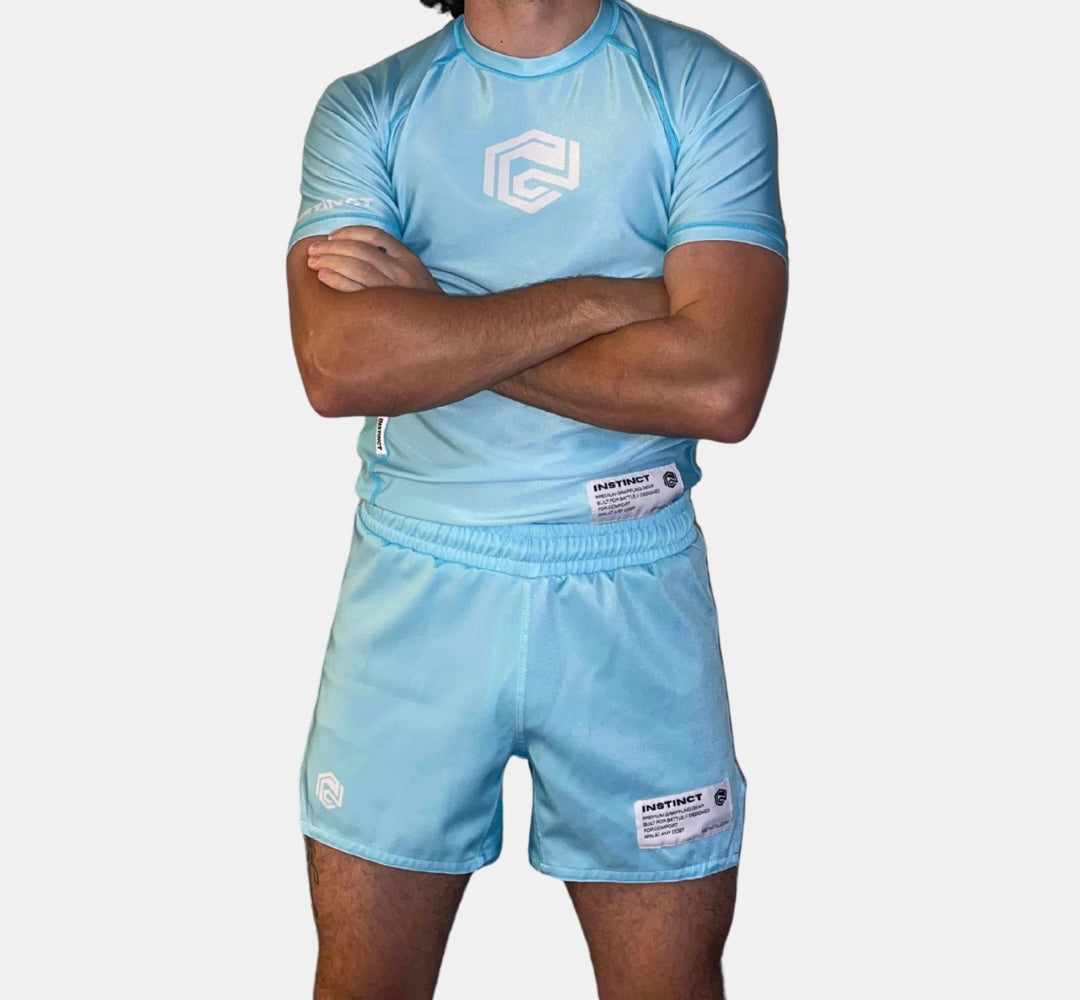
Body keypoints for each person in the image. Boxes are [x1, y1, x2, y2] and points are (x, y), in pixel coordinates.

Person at [285, 0, 787, 995]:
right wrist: (605, 301)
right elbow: (340, 368)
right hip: (417, 590)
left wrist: (438, 320)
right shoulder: (370, 107)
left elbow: (719, 384)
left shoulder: (702, 89)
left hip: (632, 593)